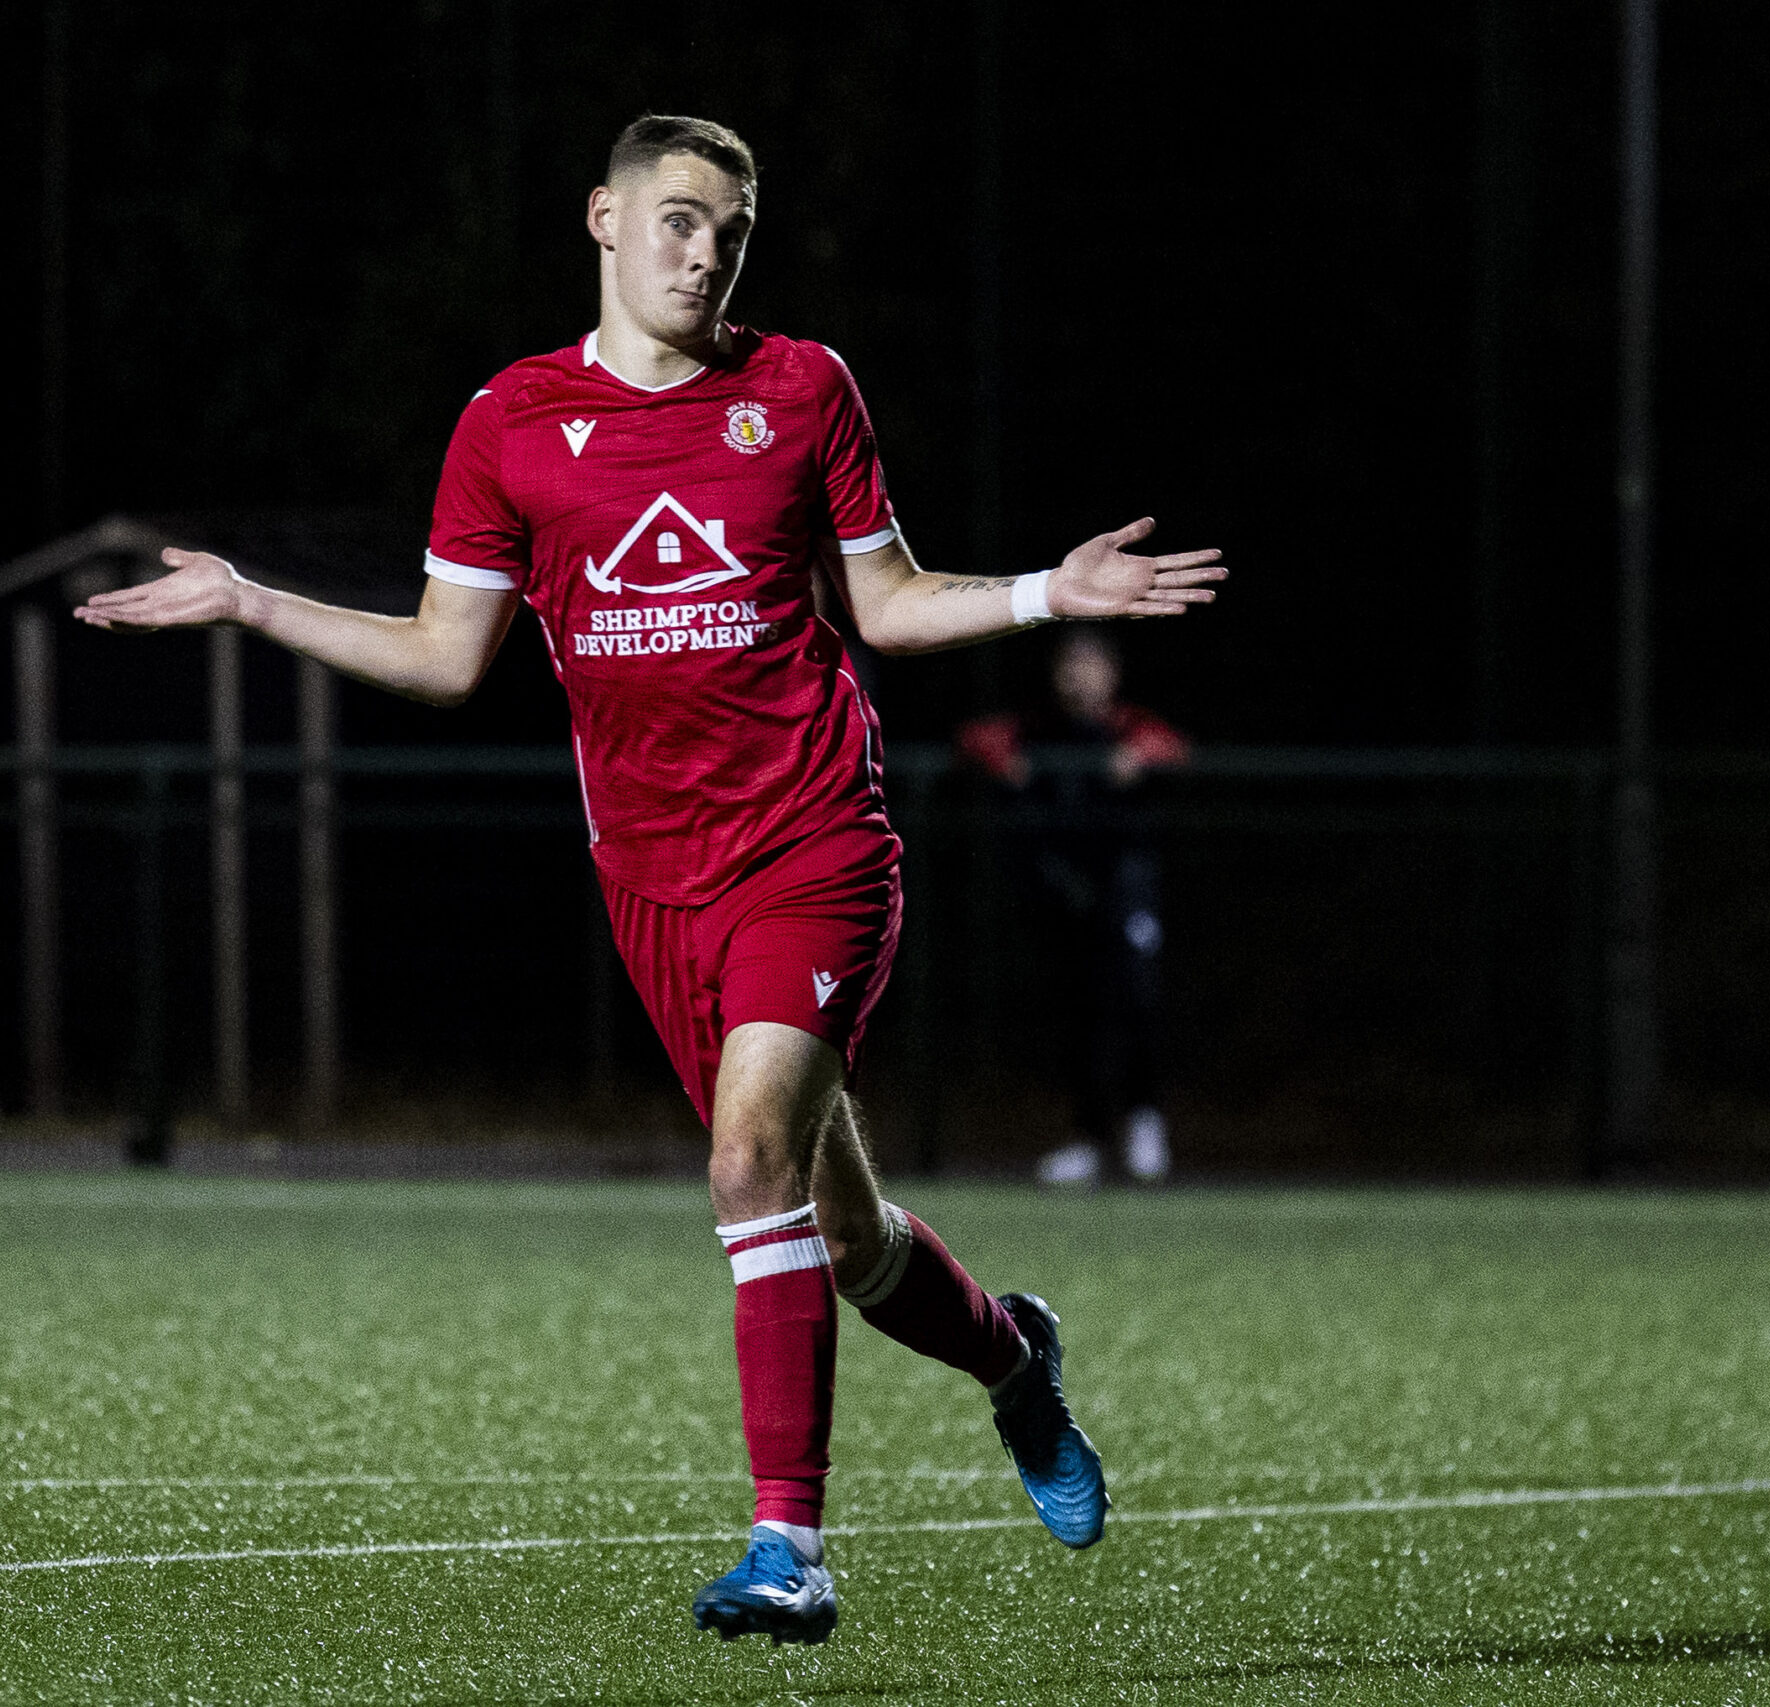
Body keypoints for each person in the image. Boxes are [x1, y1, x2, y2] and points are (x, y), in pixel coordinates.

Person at [80, 115, 1225, 1644]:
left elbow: (883, 605)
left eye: (731, 231)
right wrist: (249, 601)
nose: (705, 252)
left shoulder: (800, 389)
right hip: (652, 880)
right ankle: (1017, 1357)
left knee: (749, 1158)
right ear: (604, 222)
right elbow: (442, 655)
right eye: (680, 220)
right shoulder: (511, 423)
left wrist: (1039, 591)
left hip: (816, 842)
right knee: (852, 1236)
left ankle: (790, 1546)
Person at [959, 628, 1190, 1188]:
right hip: (1063, 891)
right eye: (1070, 666)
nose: (1079, 677)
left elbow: (1174, 750)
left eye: (1091, 666)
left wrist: (1139, 760)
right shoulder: (1039, 729)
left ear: (1112, 674)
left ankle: (1145, 1119)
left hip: (1124, 886)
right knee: (1077, 1013)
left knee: (1137, 996)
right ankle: (1090, 1138)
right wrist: (1005, 761)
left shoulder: (1128, 727)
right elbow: (976, 738)